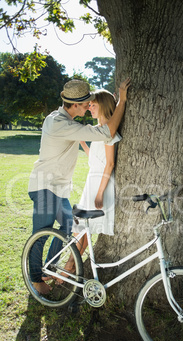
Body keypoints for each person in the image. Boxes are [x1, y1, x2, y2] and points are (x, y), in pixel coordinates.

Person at [28, 78, 130, 294]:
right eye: (86, 104)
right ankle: (36, 279)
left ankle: (50, 268)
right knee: (42, 233)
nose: (88, 106)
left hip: (58, 188)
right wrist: (121, 100)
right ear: (75, 105)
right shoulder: (60, 124)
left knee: (67, 227)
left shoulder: (63, 122)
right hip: (45, 186)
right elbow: (107, 133)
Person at [67, 90, 120, 269]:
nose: (89, 108)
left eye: (93, 105)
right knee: (80, 229)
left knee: (84, 230)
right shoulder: (98, 131)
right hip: (93, 181)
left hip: (100, 185)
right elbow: (97, 159)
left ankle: (68, 269)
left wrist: (99, 193)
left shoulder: (108, 133)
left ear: (103, 105)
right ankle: (69, 267)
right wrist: (82, 143)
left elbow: (109, 164)